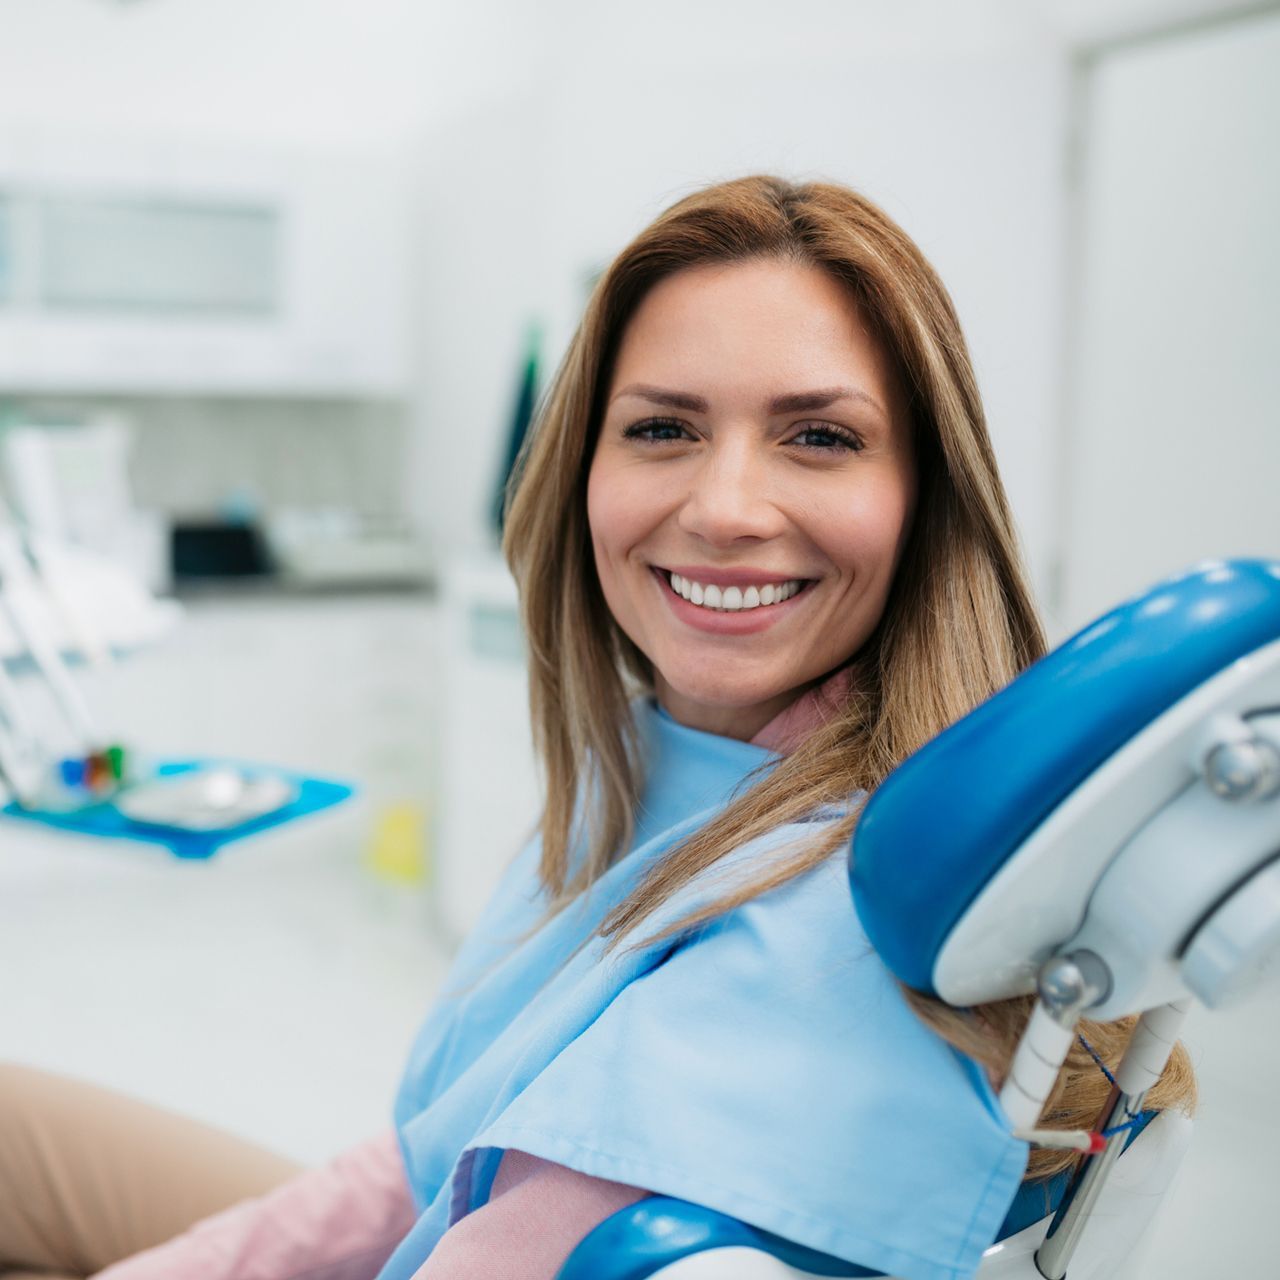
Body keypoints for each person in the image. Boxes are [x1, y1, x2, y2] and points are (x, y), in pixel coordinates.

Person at [0, 175, 1194, 1280]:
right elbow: (437, 1154)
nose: (722, 508)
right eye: (662, 427)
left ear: (925, 499)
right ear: (580, 467)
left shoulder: (838, 922)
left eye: (818, 435)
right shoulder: (661, 762)